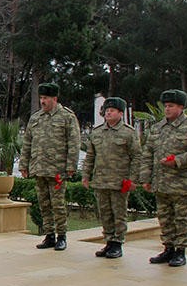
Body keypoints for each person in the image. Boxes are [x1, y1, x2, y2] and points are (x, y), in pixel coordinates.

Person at [140, 89, 187, 267]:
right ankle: (168, 248)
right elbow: (147, 154)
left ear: (181, 107)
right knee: (164, 217)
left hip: (180, 183)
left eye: (171, 106)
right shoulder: (157, 128)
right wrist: (145, 178)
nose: (167, 109)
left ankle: (180, 251)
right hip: (160, 182)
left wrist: (177, 161)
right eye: (166, 106)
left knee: (181, 218)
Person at [20, 82, 81, 251]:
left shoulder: (67, 117)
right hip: (39, 168)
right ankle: (49, 235)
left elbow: (74, 143)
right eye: (41, 98)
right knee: (44, 204)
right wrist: (24, 165)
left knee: (58, 204)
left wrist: (71, 166)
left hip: (57, 170)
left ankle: (62, 236)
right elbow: (27, 143)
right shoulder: (36, 118)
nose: (42, 101)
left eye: (45, 98)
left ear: (55, 98)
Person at [81, 98, 141, 259]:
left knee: (119, 213)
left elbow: (136, 156)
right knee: (105, 213)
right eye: (106, 110)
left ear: (120, 113)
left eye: (112, 110)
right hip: (101, 180)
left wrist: (133, 179)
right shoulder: (97, 131)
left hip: (119, 181)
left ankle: (117, 243)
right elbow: (90, 156)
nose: (108, 112)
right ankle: (108, 241)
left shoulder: (128, 132)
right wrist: (86, 175)